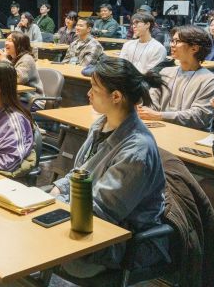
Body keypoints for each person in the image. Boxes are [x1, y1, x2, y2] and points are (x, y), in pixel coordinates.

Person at [50, 57, 167, 277]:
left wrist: (53, 205)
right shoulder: (101, 123)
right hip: (80, 218)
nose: (88, 93)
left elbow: (101, 212)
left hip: (115, 241)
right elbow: (78, 174)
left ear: (116, 96)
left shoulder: (137, 151)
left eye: (94, 88)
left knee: (31, 243)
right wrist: (54, 193)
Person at [138, 25, 214, 131]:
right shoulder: (165, 72)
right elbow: (151, 104)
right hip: (161, 129)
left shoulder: (210, 81)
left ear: (194, 48)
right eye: (172, 41)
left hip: (192, 136)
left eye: (177, 41)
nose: (172, 45)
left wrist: (159, 116)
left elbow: (199, 117)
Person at [0, 31, 45, 109]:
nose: (6, 43)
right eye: (6, 39)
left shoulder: (27, 59)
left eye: (10, 40)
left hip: (31, 101)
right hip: (15, 98)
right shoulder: (9, 57)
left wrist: (4, 60)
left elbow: (18, 78)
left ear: (19, 44)